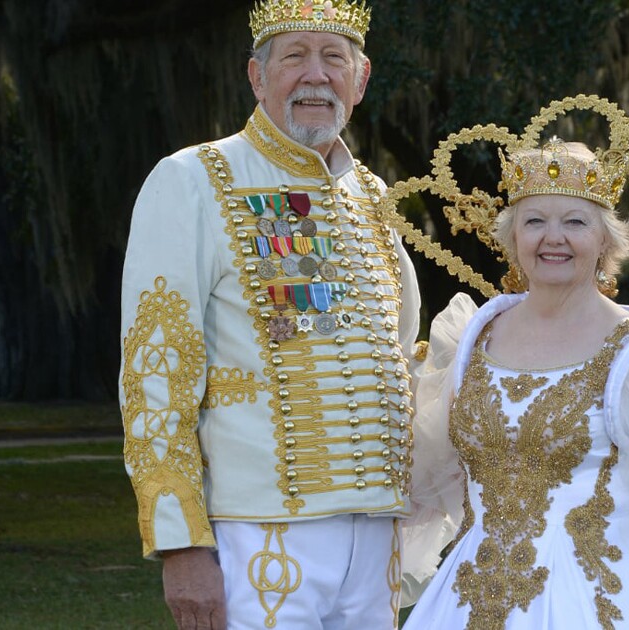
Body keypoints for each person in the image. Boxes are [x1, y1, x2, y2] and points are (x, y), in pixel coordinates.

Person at [118, 1, 420, 628]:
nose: (316, 76)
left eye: (334, 58)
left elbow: (405, 354)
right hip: (259, 532)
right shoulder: (192, 180)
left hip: (377, 538)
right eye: (294, 57)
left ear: (359, 80)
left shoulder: (374, 195)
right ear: (257, 77)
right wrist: (182, 545)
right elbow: (155, 376)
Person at [402, 139, 629, 629]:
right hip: (469, 597)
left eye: (575, 222)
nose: (553, 238)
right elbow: (433, 478)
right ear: (513, 239)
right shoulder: (473, 339)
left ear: (605, 242)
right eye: (535, 221)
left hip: (598, 602)